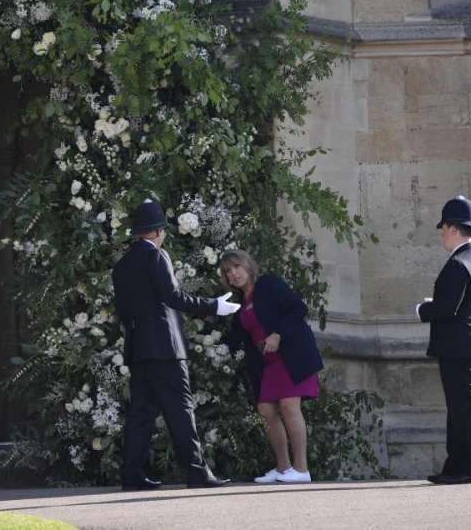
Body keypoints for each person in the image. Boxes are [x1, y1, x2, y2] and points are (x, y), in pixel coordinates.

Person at [112, 198, 239, 490]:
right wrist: (214, 306)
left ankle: (131, 474)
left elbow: (124, 311)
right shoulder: (157, 256)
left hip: (138, 349)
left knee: (141, 415)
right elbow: (174, 297)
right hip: (165, 348)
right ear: (157, 231)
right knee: (181, 409)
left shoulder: (122, 266)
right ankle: (196, 471)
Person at [221, 249, 324, 484]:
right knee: (267, 412)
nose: (233, 274)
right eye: (228, 272)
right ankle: (283, 468)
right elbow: (237, 337)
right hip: (266, 365)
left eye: (236, 267)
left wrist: (278, 335)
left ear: (248, 265)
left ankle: (302, 469)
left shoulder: (268, 284)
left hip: (291, 356)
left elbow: (298, 308)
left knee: (289, 406)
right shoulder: (239, 303)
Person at [416, 194, 471, 485]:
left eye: (443, 229)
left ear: (452, 228)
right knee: (465, 407)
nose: (441, 235)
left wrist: (422, 309)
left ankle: (468, 468)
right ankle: (458, 465)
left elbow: (447, 307)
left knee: (465, 408)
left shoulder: (458, 263)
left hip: (459, 344)